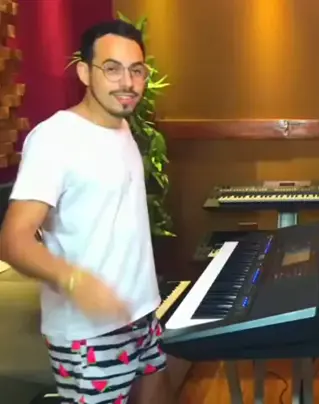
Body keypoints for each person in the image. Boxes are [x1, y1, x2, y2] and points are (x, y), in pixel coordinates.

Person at [0, 20, 170, 404]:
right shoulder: (55, 139)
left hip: (141, 314)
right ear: (84, 72)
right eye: (112, 69)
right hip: (89, 332)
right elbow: (13, 241)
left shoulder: (122, 128)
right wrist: (78, 282)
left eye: (136, 70)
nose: (127, 82)